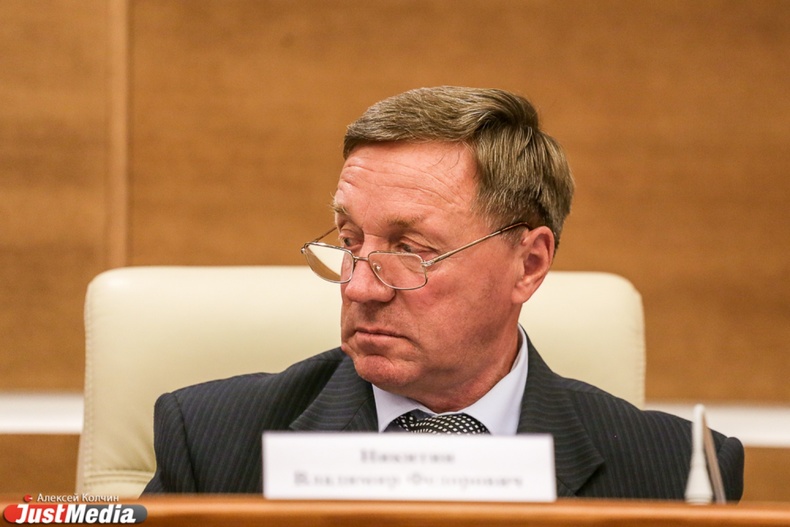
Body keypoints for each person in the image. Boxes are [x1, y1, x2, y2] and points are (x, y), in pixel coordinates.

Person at [143, 86, 744, 499]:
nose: (358, 286)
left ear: (529, 264)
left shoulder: (672, 471)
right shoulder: (211, 441)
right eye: (350, 242)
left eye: (409, 251)